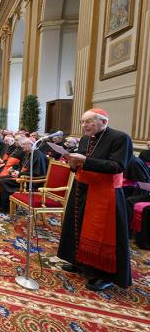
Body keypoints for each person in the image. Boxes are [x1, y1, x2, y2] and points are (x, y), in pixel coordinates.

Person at [57, 108, 133, 291]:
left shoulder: (120, 138)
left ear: (103, 122)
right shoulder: (85, 139)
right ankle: (78, 262)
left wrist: (84, 161)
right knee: (78, 225)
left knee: (100, 233)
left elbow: (118, 165)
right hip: (82, 188)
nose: (84, 126)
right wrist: (73, 164)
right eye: (83, 122)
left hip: (105, 193)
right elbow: (80, 164)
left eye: (88, 122)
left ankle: (102, 275)